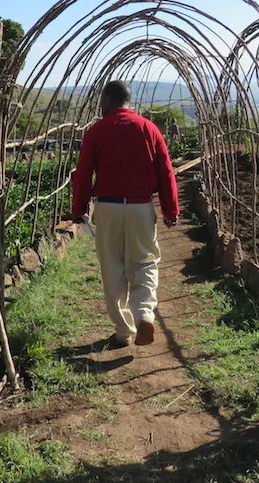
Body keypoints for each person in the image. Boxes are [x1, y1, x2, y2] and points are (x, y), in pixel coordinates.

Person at [71, 80, 179, 347]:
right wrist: (170, 209)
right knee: (145, 263)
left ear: (107, 100)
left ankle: (123, 331)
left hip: (108, 209)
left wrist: (79, 210)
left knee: (113, 267)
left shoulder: (97, 131)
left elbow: (83, 174)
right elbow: (165, 171)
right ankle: (144, 314)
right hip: (141, 208)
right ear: (128, 101)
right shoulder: (149, 128)